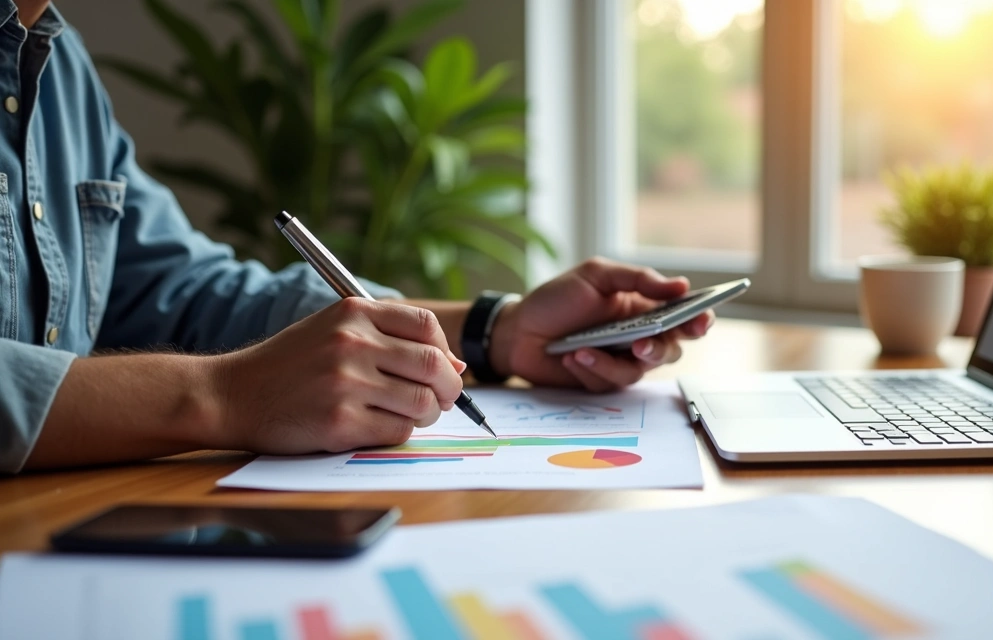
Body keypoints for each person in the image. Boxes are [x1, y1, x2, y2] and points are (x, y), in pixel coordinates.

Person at [0, 1, 714, 473]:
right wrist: (224, 396)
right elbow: (218, 363)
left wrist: (498, 332)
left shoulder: (58, 62)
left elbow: (181, 291)